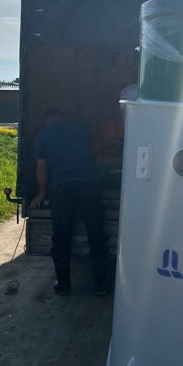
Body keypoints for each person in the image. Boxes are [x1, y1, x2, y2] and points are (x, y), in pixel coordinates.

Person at [30, 107, 110, 296]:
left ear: (46, 120)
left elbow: (41, 168)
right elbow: (95, 154)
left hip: (63, 189)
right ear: (63, 116)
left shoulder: (44, 136)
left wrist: (42, 193)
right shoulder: (81, 129)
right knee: (96, 234)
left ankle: (64, 285)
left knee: (62, 237)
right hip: (90, 187)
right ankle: (101, 285)